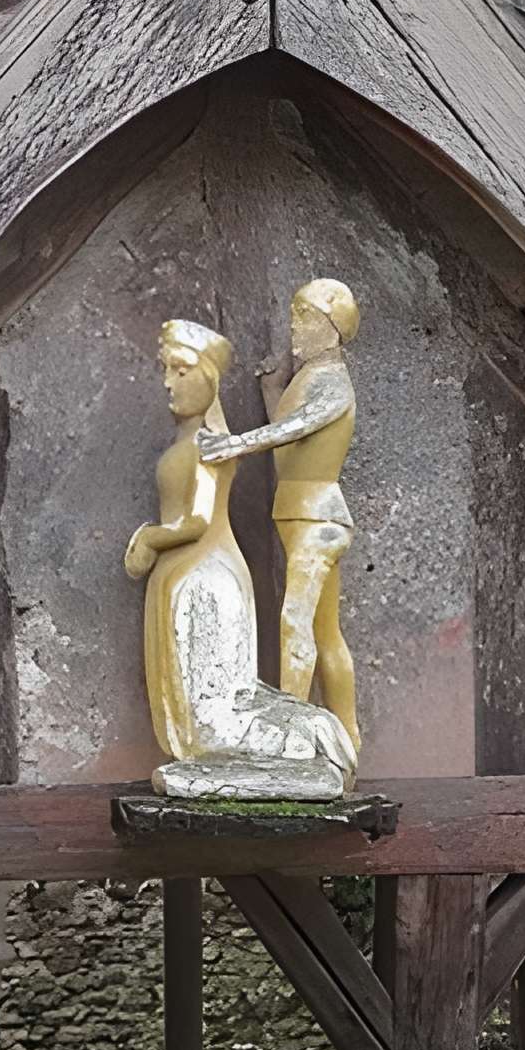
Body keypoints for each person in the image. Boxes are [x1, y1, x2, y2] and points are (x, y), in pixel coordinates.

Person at [126, 318, 358, 800]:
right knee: (197, 721)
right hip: (187, 576)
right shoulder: (195, 442)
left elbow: (196, 520)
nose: (169, 383)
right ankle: (307, 745)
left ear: (210, 379)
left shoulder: (211, 444)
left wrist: (149, 539)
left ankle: (308, 757)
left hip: (206, 584)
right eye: (166, 370)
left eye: (182, 371)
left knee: (213, 722)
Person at [196, 276, 360, 754]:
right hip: (301, 515)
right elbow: (289, 431)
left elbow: (292, 429)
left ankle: (293, 741)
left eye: (305, 318)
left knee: (295, 622)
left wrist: (233, 444)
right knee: (325, 634)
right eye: (294, 316)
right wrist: (272, 390)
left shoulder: (333, 381)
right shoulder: (310, 378)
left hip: (317, 518)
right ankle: (348, 738)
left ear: (333, 327)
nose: (295, 328)